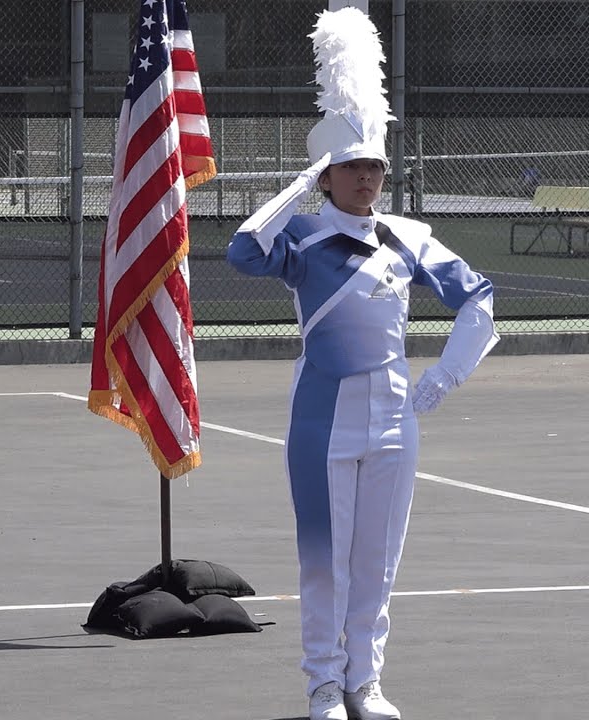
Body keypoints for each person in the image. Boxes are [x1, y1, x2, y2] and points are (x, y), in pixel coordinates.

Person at [226, 9, 498, 720]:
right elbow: (242, 248)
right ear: (328, 174)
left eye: (374, 165)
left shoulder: (408, 238)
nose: (367, 177)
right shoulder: (306, 238)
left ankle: (363, 682)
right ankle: (322, 683)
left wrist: (444, 379)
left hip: (394, 423)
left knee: (377, 565)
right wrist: (301, 181)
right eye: (351, 167)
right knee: (325, 564)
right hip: (320, 423)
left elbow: (478, 300)